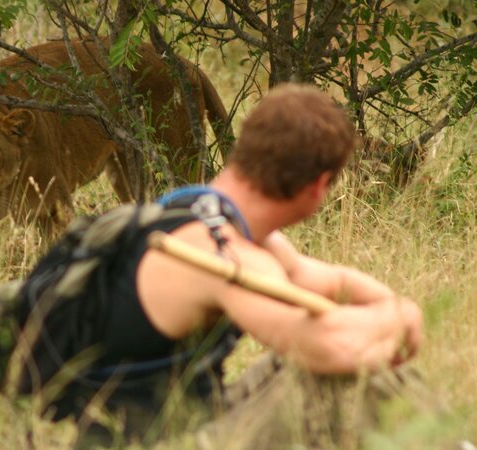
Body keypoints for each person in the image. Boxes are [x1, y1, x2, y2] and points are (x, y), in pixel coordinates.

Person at [55, 83, 424, 447]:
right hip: (155, 442)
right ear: (319, 186)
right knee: (334, 374)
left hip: (178, 421)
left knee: (305, 363)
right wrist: (394, 322)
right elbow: (332, 349)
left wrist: (395, 309)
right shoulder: (219, 254)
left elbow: (330, 282)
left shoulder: (195, 210)